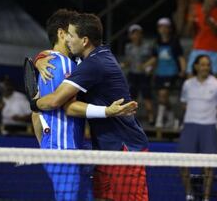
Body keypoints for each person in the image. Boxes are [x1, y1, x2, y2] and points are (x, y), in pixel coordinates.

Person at [32, 13, 149, 201]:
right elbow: (70, 107)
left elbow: (56, 102)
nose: (67, 39)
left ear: (84, 40)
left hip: (125, 150)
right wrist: (39, 58)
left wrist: (34, 103)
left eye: (71, 35)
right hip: (104, 151)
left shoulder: (95, 64)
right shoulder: (90, 58)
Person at [178, 55, 217, 201]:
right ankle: (189, 194)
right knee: (181, 161)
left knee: (209, 164)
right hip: (190, 125)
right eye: (202, 64)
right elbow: (184, 104)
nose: (205, 67)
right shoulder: (187, 84)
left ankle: (206, 198)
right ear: (196, 66)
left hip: (209, 127)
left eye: (208, 65)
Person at [143, 17, 186, 128]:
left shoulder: (174, 42)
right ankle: (171, 116)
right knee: (162, 98)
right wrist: (145, 66)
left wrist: (183, 70)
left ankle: (160, 120)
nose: (163, 29)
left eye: (165, 27)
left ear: (169, 29)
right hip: (159, 73)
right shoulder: (157, 42)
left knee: (163, 94)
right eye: (160, 27)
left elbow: (180, 57)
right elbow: (155, 57)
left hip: (171, 73)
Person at [122, 24, 155, 124]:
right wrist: (123, 64)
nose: (136, 36)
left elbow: (154, 58)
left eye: (137, 33)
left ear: (141, 34)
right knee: (131, 98)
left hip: (144, 75)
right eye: (133, 34)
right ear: (130, 36)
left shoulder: (148, 46)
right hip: (132, 75)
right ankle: (130, 119)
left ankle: (151, 119)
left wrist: (146, 65)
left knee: (147, 97)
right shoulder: (128, 47)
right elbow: (128, 61)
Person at [186, 0, 217, 76]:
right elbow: (190, 33)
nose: (215, 0)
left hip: (214, 48)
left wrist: (207, 16)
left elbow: (216, 32)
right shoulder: (196, 8)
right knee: (190, 73)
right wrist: (190, 21)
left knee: (215, 76)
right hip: (198, 46)